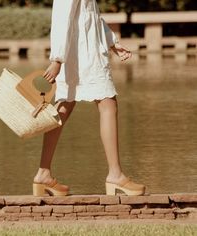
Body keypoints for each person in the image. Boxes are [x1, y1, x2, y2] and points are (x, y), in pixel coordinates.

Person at [33, 0, 145, 196]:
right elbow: (61, 18)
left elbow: (91, 15)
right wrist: (57, 59)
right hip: (81, 54)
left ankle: (43, 173)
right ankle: (115, 175)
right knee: (108, 103)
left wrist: (112, 42)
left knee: (64, 107)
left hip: (80, 51)